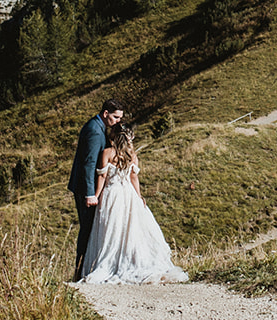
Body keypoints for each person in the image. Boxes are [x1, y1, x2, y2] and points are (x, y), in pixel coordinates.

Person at [79, 123, 188, 284]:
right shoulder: (132, 155)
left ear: (113, 137)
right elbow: (133, 178)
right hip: (128, 194)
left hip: (112, 194)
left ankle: (111, 261)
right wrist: (139, 196)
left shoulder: (107, 153)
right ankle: (130, 259)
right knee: (131, 228)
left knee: (112, 229)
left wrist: (95, 195)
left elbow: (102, 177)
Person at [69, 98, 124, 280]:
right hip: (86, 189)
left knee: (90, 228)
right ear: (106, 113)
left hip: (88, 187)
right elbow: (89, 164)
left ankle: (84, 269)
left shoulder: (97, 126)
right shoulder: (94, 131)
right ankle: (79, 271)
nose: (118, 122)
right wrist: (90, 194)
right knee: (87, 229)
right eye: (115, 117)